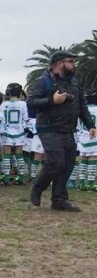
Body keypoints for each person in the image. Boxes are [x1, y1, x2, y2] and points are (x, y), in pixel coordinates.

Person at [28, 51, 96, 211]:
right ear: (59, 63)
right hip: (49, 128)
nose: (74, 65)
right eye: (70, 61)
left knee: (68, 164)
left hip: (68, 129)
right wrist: (52, 100)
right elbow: (31, 103)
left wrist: (90, 125)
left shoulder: (73, 82)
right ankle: (38, 187)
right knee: (55, 162)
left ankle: (59, 199)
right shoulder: (42, 81)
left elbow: (81, 105)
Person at [0, 83, 29, 184]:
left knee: (6, 155)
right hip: (19, 133)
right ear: (20, 93)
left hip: (6, 132)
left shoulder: (3, 105)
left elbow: (1, 119)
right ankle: (21, 177)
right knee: (19, 155)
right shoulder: (23, 104)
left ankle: (6, 177)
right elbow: (26, 118)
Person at [75, 91, 97, 190]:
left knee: (83, 159)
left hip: (83, 137)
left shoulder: (82, 109)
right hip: (94, 136)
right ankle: (91, 184)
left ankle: (81, 184)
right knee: (93, 158)